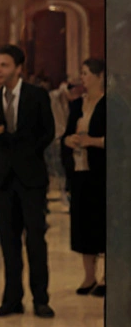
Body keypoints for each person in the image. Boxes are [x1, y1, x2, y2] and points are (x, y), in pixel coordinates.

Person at [0, 44, 55, 318]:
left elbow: (47, 134)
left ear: (18, 68)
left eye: (3, 65)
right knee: (9, 242)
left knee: (35, 239)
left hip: (31, 179)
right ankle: (12, 298)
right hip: (3, 179)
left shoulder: (37, 96)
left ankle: (41, 299)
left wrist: (7, 137)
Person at [61, 58, 106, 297]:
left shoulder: (112, 103)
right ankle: (89, 276)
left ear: (100, 76)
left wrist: (92, 142)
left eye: (87, 73)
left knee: (103, 222)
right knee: (83, 223)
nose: (83, 78)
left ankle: (108, 276)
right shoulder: (78, 104)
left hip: (103, 174)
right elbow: (67, 132)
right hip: (80, 171)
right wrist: (68, 140)